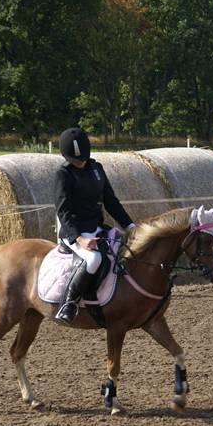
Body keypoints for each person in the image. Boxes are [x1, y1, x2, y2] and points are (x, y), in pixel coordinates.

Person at [54, 127, 135, 324]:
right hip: (73, 231)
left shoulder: (96, 169)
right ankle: (68, 304)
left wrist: (130, 225)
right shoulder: (63, 174)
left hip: (96, 227)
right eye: (75, 159)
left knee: (122, 249)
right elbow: (63, 211)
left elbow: (111, 201)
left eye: (82, 158)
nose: (80, 162)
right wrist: (79, 239)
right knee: (93, 260)